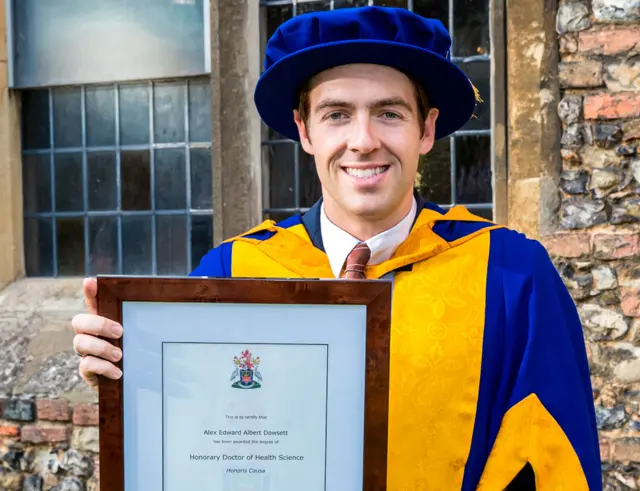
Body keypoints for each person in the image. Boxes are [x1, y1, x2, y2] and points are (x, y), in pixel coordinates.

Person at [71, 6, 602, 490]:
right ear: (304, 131)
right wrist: (132, 375)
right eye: (337, 114)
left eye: (390, 113)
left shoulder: (510, 278)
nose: (364, 140)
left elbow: (552, 461)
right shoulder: (232, 271)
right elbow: (194, 441)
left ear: (427, 129)